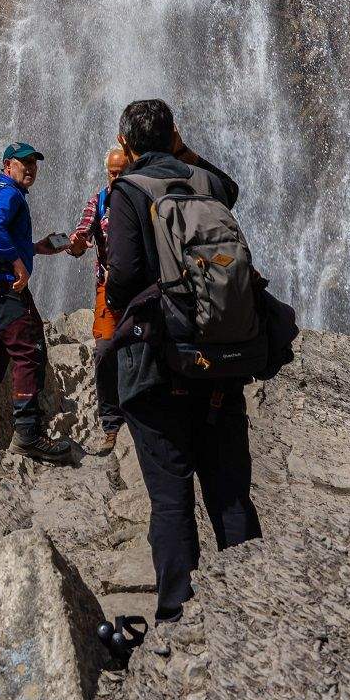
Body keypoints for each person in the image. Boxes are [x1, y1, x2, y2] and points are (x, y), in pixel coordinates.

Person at [104, 97, 262, 624]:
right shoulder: (207, 183)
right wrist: (183, 150)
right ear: (174, 135)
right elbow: (232, 189)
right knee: (230, 491)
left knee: (170, 496)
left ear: (126, 144)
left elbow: (123, 276)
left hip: (157, 365)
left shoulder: (127, 191)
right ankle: (254, 605)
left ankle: (178, 613)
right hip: (220, 360)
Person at [0, 140, 76, 467]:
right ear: (7, 165)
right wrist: (17, 263)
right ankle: (27, 434)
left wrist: (35, 248)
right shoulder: (8, 193)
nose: (30, 168)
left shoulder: (0, 192)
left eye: (34, 163)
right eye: (23, 162)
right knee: (29, 352)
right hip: (4, 291)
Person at [68, 145, 130, 455]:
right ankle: (110, 421)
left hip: (141, 288)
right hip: (108, 287)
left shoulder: (141, 197)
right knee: (105, 349)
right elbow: (81, 237)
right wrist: (78, 243)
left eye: (122, 172)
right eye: (113, 172)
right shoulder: (99, 201)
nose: (117, 177)